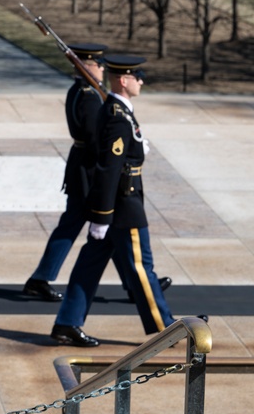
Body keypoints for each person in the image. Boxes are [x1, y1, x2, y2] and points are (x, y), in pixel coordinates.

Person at [51, 55, 174, 346]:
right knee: (142, 267)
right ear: (123, 80)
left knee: (89, 265)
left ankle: (67, 323)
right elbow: (108, 169)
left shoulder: (119, 111)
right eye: (137, 75)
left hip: (117, 205)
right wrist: (102, 215)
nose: (141, 80)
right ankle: (165, 328)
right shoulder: (117, 115)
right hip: (123, 206)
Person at [23, 43, 111, 301]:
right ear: (85, 65)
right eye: (98, 64)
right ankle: (140, 283)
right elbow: (96, 140)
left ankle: (140, 282)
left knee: (84, 225)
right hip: (89, 171)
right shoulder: (89, 96)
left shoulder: (81, 91)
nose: (103, 68)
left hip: (80, 166)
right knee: (102, 225)